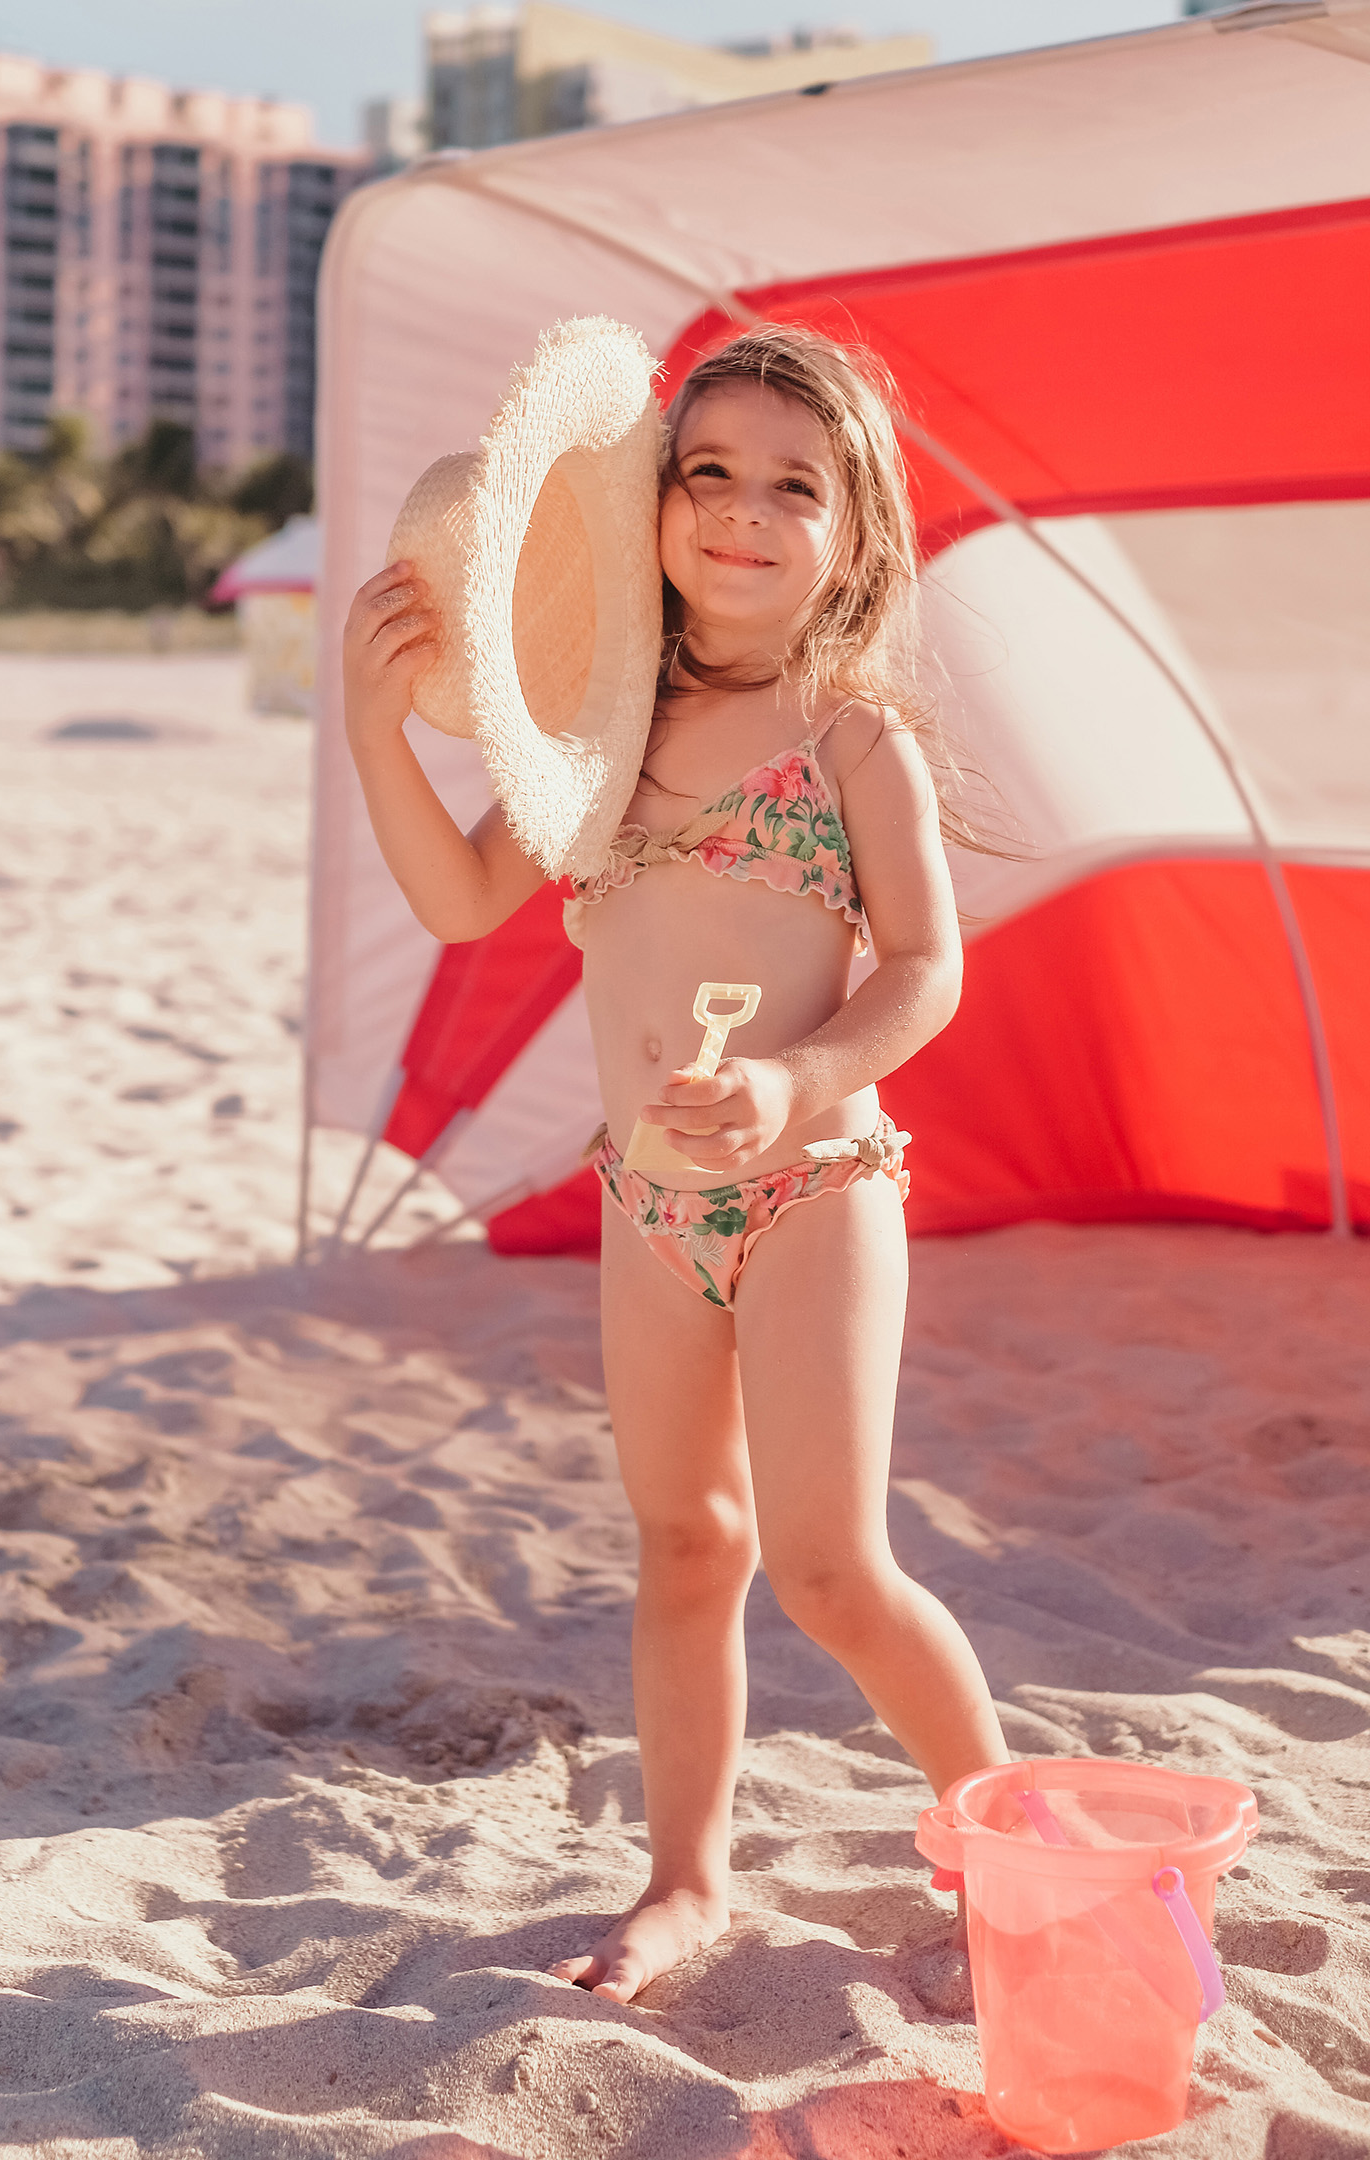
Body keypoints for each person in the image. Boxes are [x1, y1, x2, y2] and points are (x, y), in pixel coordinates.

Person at [343, 325, 1010, 2005]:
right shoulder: (597, 725)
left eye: (794, 486)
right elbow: (462, 900)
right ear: (645, 503)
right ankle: (687, 1882)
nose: (741, 512)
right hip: (647, 1204)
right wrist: (374, 733)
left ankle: (1008, 1849)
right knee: (688, 1542)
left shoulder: (851, 738)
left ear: (856, 531)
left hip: (814, 1186)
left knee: (833, 1570)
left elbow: (926, 967)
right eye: (706, 473)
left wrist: (800, 1080)